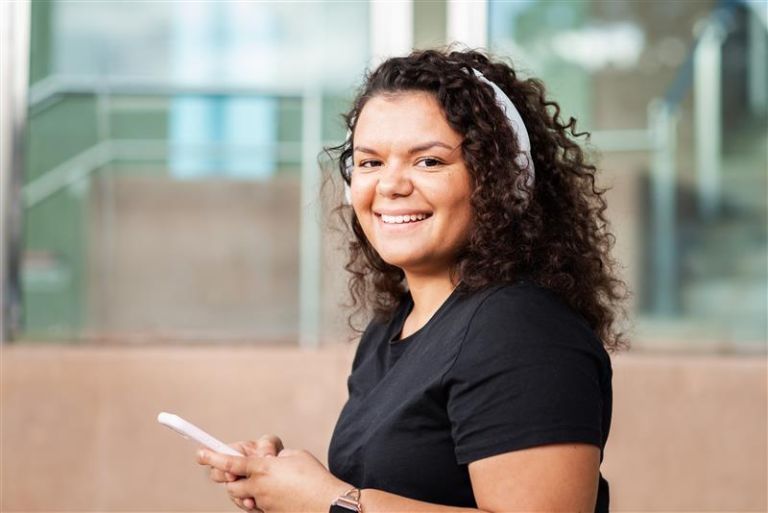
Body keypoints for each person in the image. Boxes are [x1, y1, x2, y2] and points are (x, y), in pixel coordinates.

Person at [197, 48, 628, 513]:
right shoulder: (391, 329)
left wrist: (330, 502)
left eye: (428, 162)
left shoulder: (521, 330)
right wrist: (280, 485)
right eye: (370, 162)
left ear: (499, 181)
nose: (390, 185)